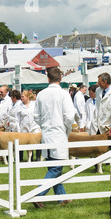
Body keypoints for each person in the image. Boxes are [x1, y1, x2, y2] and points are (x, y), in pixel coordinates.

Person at [33, 67, 75, 208]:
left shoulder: (41, 95)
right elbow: (70, 116)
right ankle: (39, 195)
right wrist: (64, 126)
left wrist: (45, 125)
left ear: (48, 78)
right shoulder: (63, 94)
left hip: (46, 134)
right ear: (61, 78)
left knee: (53, 167)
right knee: (56, 168)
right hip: (58, 134)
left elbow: (36, 117)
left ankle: (61, 198)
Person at [95, 73, 111, 138]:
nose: (98, 83)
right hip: (97, 125)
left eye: (99, 82)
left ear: (105, 82)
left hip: (108, 127)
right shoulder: (98, 91)